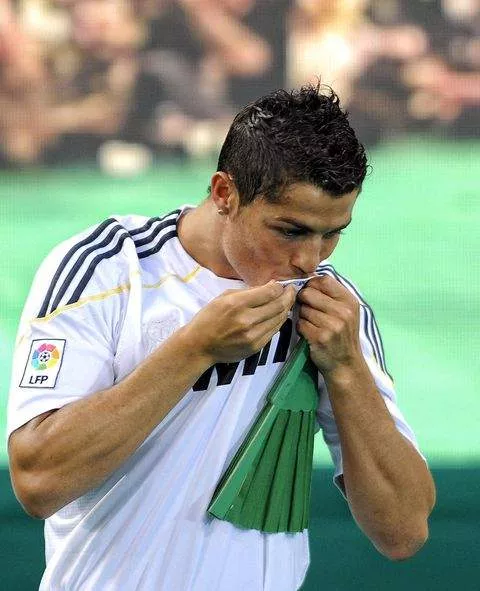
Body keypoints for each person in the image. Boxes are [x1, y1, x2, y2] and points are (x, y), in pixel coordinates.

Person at [7, 84, 435, 591]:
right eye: (291, 230)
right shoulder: (106, 269)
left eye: (333, 232)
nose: (311, 258)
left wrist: (346, 370)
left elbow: (404, 532)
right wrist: (196, 349)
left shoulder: (334, 310)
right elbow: (37, 482)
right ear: (224, 194)